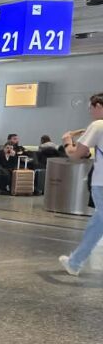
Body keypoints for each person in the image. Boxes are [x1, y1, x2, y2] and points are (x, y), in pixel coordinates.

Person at [59, 92, 103, 276]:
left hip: (102, 184)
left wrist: (67, 143)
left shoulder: (98, 125)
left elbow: (75, 155)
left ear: (98, 106)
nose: (90, 112)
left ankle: (75, 262)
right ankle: (75, 262)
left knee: (98, 223)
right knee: (98, 224)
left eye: (90, 108)